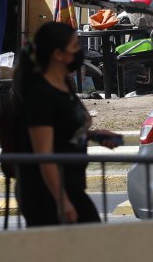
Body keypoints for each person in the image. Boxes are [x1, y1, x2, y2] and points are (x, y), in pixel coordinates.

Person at [12, 22, 122, 227]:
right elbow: (44, 154)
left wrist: (93, 135)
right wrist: (62, 201)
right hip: (46, 193)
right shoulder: (40, 94)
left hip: (70, 187)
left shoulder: (63, 85)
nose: (80, 51)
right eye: (75, 46)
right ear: (58, 54)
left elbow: (63, 128)